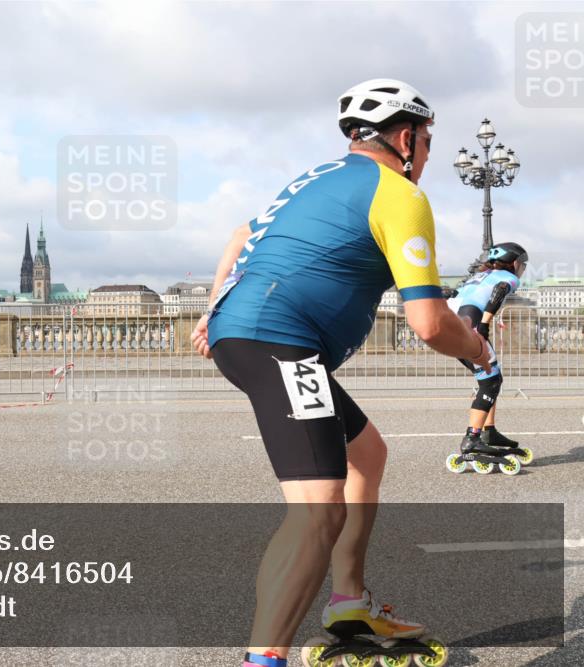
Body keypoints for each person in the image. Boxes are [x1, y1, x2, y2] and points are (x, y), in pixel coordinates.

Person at [190, 79, 491, 667]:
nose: (426, 156)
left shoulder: (316, 177)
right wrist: (477, 349)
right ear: (406, 138)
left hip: (255, 331)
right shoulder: (399, 194)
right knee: (318, 509)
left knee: (366, 454)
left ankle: (349, 600)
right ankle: (263, 659)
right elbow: (429, 323)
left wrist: (214, 305)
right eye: (427, 142)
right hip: (283, 343)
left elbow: (240, 234)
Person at [447, 242, 533, 470]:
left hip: (450, 328)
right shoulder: (508, 277)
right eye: (522, 264)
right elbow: (500, 290)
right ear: (515, 263)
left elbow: (453, 295)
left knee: (490, 377)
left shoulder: (479, 276)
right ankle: (472, 439)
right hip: (468, 330)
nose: (522, 269)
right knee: (491, 382)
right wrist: (484, 325)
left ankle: (489, 432)